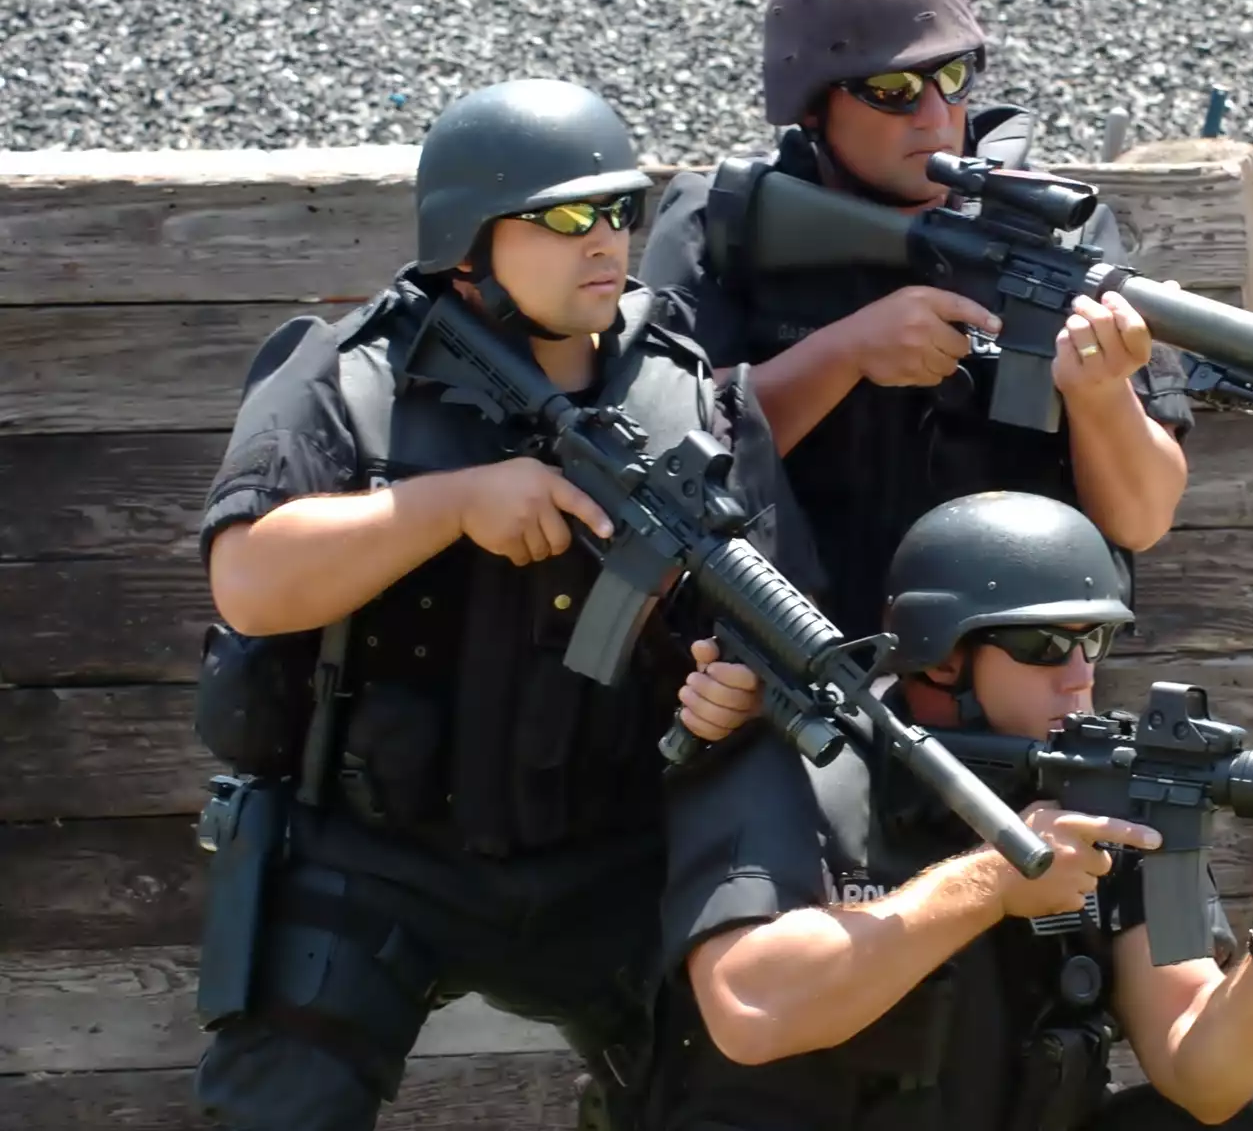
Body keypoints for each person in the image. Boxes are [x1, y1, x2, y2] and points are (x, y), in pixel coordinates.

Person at [188, 78, 817, 1131]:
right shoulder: (350, 380)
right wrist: (451, 505)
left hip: (617, 854)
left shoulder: (688, 396)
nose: (605, 239)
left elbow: (764, 622)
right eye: (564, 218)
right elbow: (248, 581)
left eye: (620, 210)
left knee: (750, 1097)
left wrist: (732, 693)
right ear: (469, 239)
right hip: (376, 855)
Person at [648, 491, 1253, 1131]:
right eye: (1043, 645)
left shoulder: (1100, 793)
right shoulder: (801, 761)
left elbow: (1204, 1076)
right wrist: (991, 883)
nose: (1079, 675)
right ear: (941, 658)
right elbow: (749, 1009)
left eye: (1094, 640)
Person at [636, 0, 1195, 637]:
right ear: (812, 105)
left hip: (1012, 668)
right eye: (893, 90)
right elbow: (655, 462)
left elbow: (1141, 519)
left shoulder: (1056, 237)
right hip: (781, 657)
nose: (935, 117)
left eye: (953, 77)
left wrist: (1100, 395)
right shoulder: (728, 227)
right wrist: (844, 355)